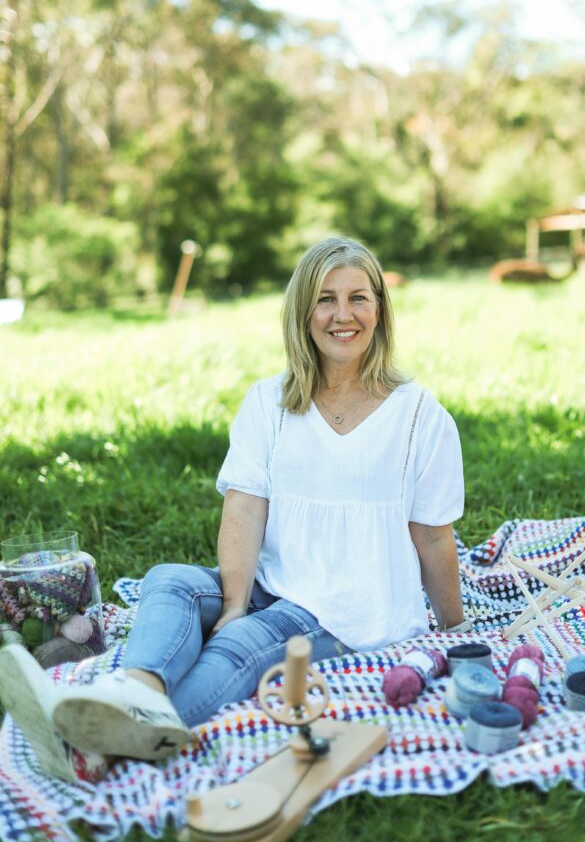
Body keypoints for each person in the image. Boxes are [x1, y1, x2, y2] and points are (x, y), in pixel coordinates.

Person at [0, 236, 466, 781]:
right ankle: (140, 691)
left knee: (241, 645)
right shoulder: (269, 402)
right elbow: (244, 511)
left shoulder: (418, 416)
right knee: (169, 579)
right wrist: (234, 604)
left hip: (350, 608)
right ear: (302, 312)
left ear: (380, 308)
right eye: (325, 299)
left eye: (358, 297)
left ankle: (96, 746)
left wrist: (455, 631)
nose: (343, 314)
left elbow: (432, 536)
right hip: (278, 580)